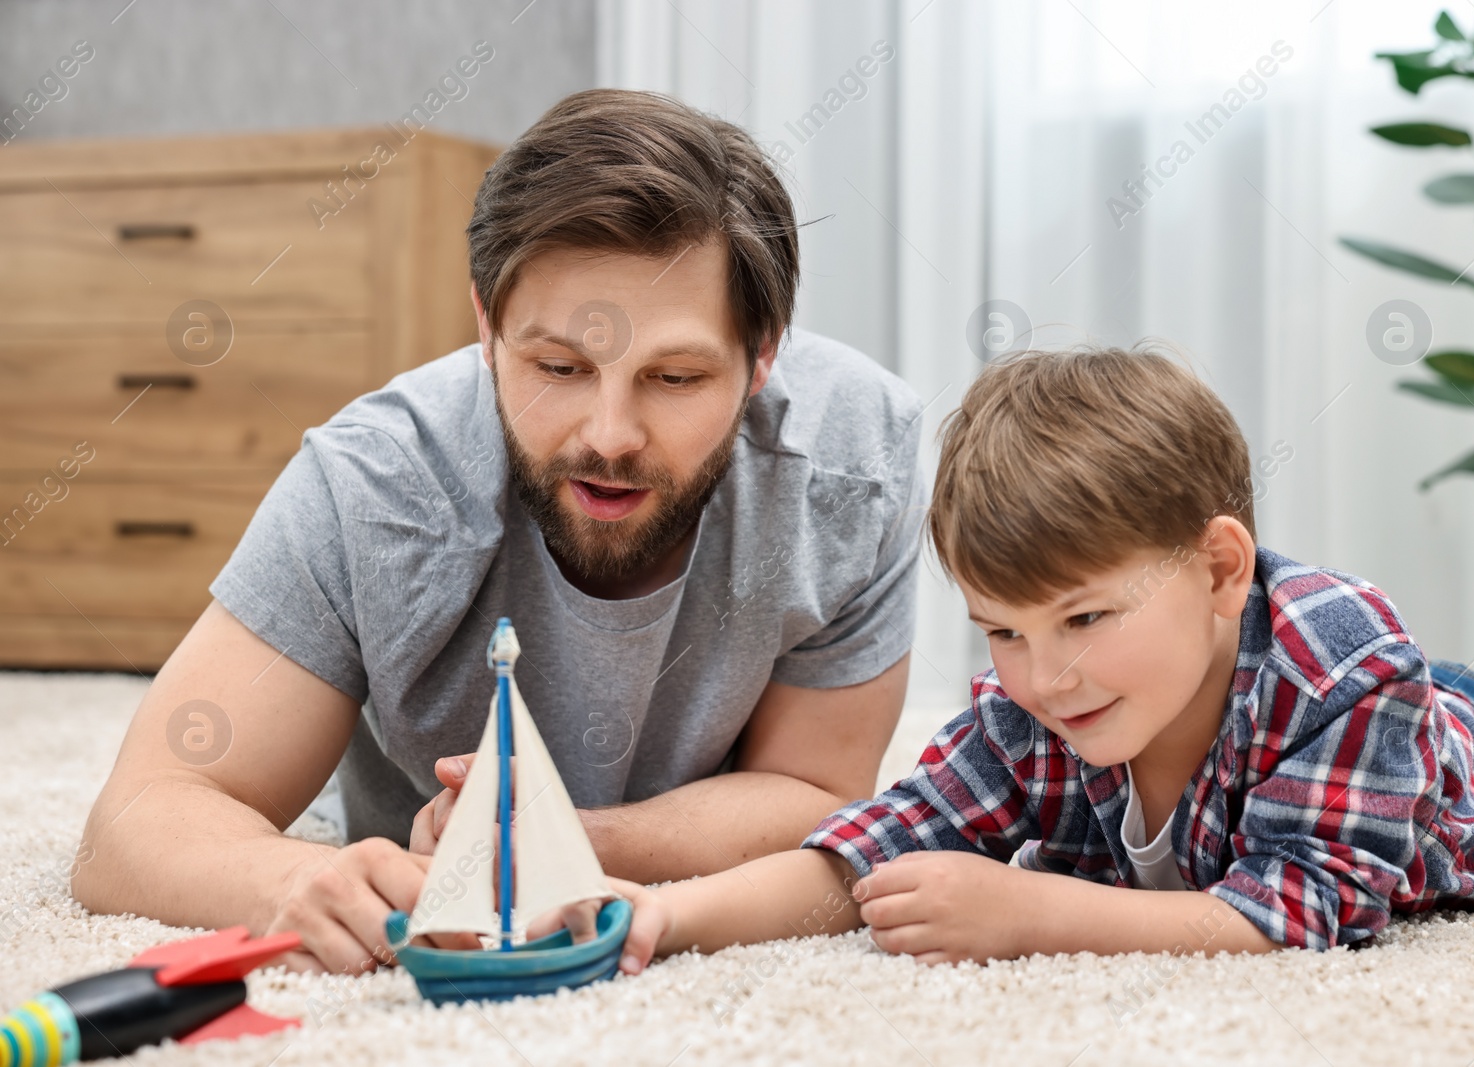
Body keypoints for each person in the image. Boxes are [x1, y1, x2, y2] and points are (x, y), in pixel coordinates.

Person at [72, 89, 928, 975]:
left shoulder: (855, 464)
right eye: (557, 366)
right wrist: (292, 879)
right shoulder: (375, 481)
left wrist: (558, 838)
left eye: (674, 378)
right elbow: (136, 821)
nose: (608, 434)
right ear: (486, 325)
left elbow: (819, 794)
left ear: (764, 356)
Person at [577, 344, 1474, 971]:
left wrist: (1031, 911)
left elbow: (1302, 911)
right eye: (1002, 629)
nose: (1044, 676)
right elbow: (871, 847)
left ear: (1220, 568)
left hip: (1471, 738)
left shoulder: (1347, 675)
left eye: (1087, 617)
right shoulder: (1032, 709)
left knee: (1458, 698)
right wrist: (667, 911)